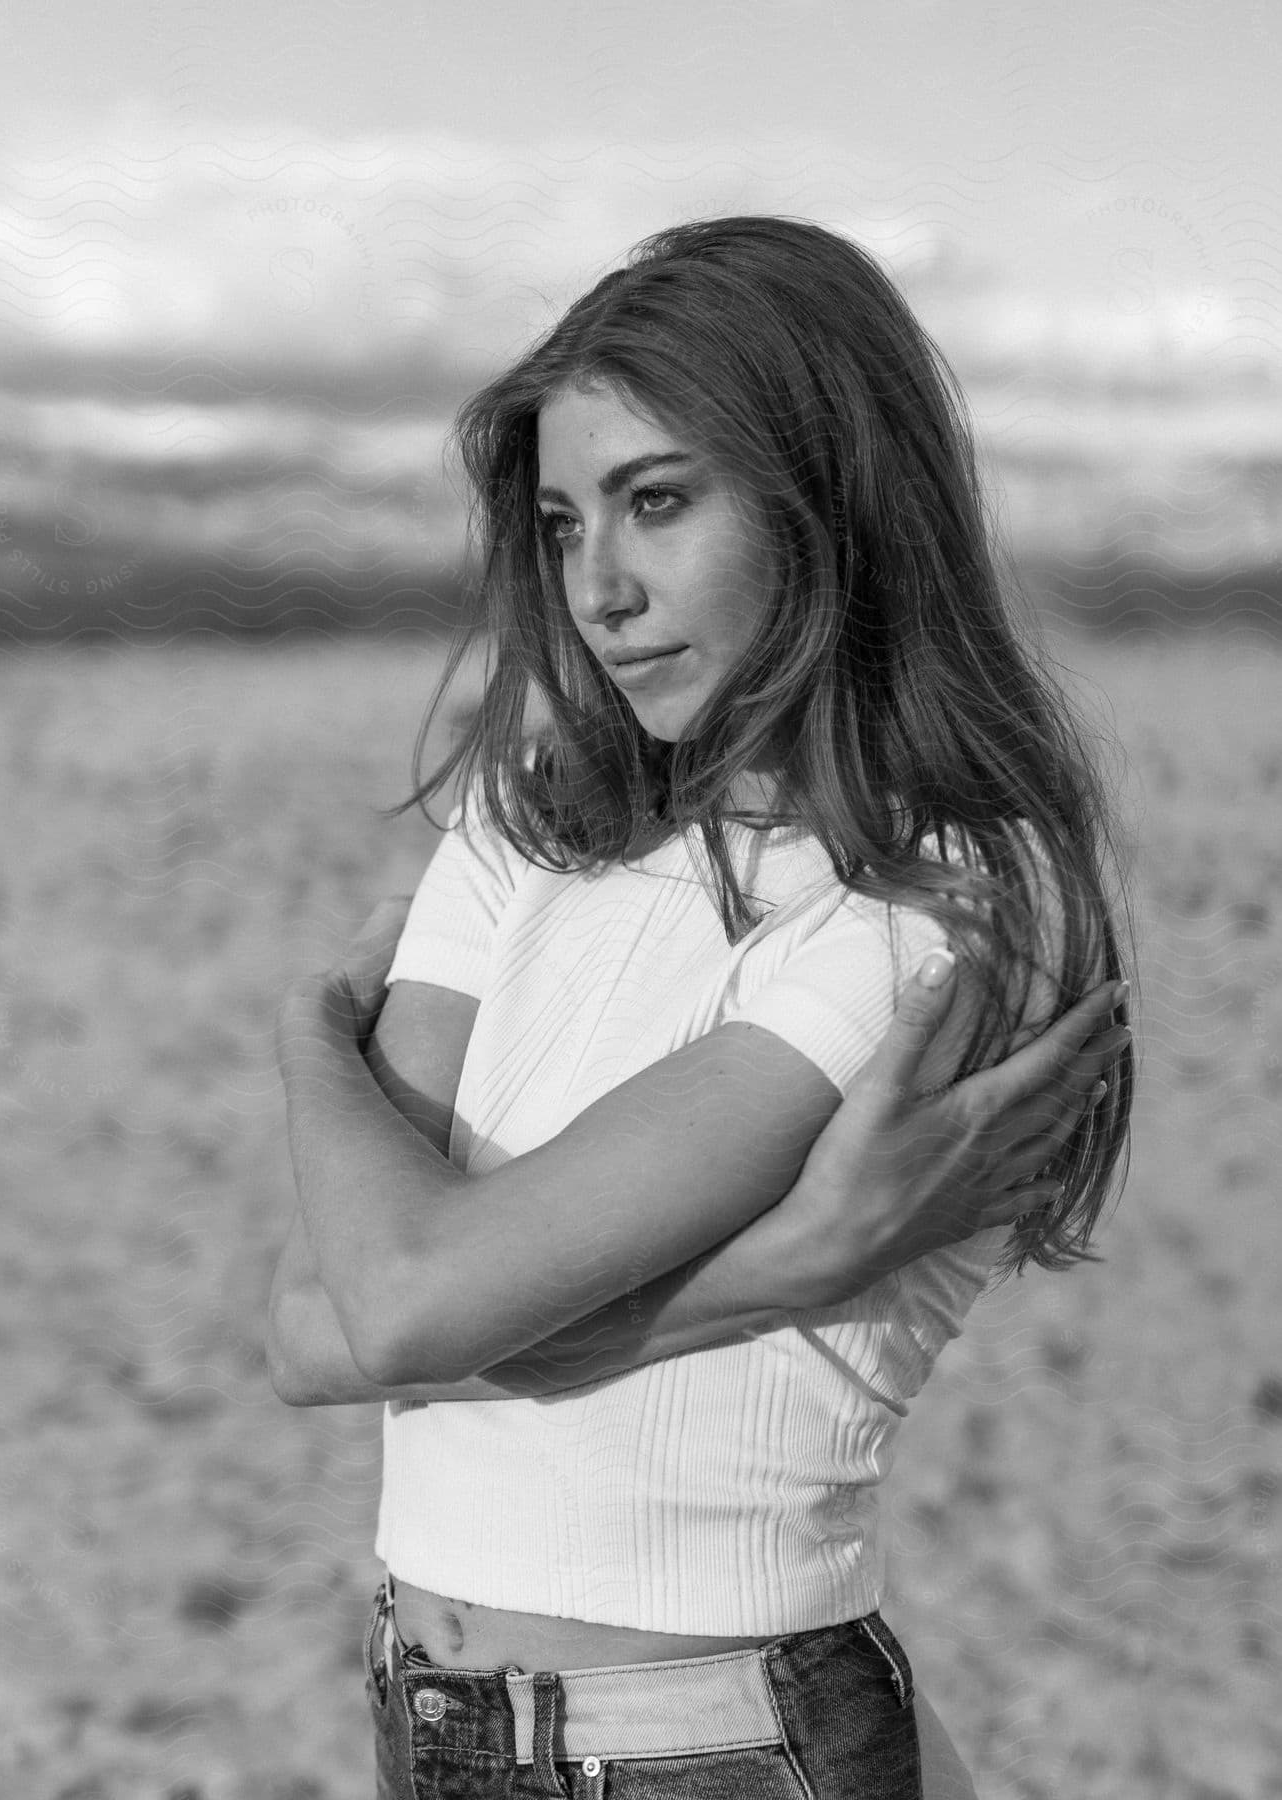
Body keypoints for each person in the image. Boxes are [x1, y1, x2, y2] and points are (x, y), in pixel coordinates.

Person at [269, 215, 1135, 1799]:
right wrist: (777, 1271)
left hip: (716, 1742)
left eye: (657, 502)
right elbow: (304, 1329)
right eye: (557, 522)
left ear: (827, 502)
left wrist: (305, 1043)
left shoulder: (929, 906)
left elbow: (396, 1308)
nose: (599, 587)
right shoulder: (531, 821)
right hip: (427, 1715)